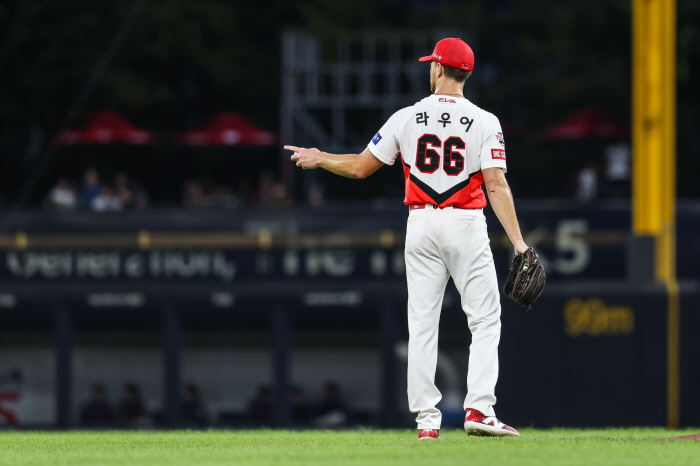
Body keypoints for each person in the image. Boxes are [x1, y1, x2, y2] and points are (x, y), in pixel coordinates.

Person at [285, 38, 526, 439]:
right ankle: (479, 411)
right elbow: (497, 185)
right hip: (465, 222)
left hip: (421, 223)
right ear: (465, 73)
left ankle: (427, 422)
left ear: (437, 68)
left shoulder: (408, 117)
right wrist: (518, 242)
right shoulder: (485, 120)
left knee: (422, 323)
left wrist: (321, 157)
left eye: (431, 64)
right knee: (485, 319)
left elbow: (361, 167)